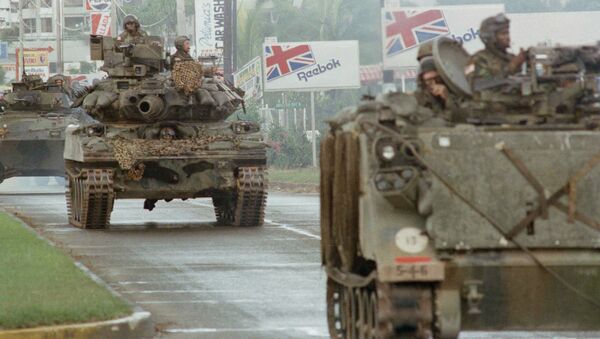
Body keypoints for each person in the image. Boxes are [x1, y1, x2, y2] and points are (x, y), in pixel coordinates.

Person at [466, 13, 527, 92]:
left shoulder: (511, 57)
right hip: (490, 103)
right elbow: (481, 86)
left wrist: (528, 63)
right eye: (503, 34)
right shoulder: (478, 60)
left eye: (507, 33)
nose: (508, 37)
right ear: (491, 37)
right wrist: (513, 66)